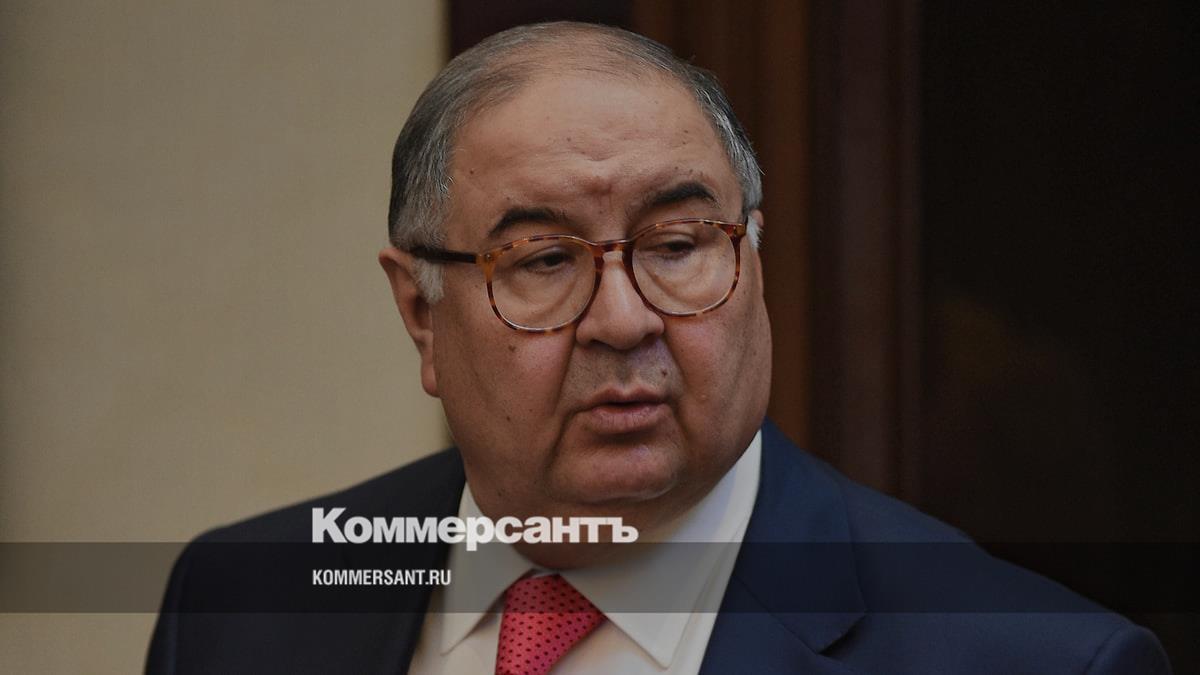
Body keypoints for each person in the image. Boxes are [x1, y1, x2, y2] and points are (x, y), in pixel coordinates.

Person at [146, 22, 1171, 674]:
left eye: (678, 246)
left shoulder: (1025, 658)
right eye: (544, 259)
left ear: (753, 258)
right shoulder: (242, 603)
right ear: (422, 313)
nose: (625, 319)